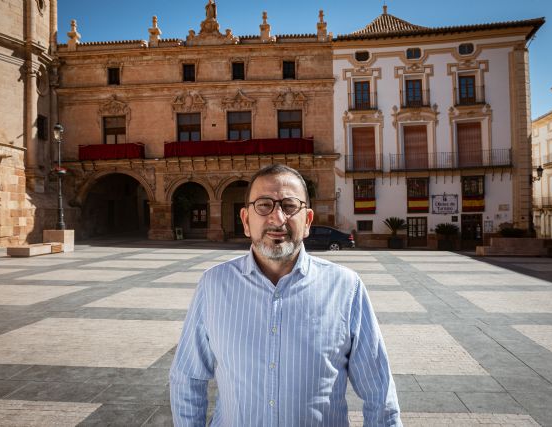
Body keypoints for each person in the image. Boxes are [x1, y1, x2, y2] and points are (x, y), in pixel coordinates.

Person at [169, 164, 402, 426]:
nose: (277, 218)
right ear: (246, 221)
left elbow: (379, 393)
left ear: (308, 221)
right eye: (264, 205)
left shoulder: (346, 288)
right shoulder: (213, 285)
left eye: (290, 206)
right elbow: (187, 378)